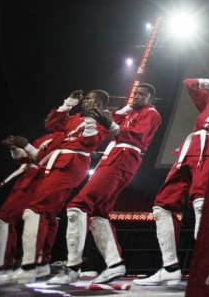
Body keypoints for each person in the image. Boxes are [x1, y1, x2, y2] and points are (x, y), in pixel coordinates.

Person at [133, 74, 209, 286]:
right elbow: (188, 84)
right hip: (189, 151)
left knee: (201, 204)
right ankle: (170, 268)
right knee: (161, 206)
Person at [0, 89, 110, 284]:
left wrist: (90, 117)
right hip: (54, 163)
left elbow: (90, 141)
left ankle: (28, 267)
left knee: (35, 211)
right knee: (41, 213)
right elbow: (52, 124)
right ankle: (38, 265)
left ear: (101, 105)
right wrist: (68, 103)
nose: (88, 102)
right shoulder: (74, 118)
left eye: (93, 100)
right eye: (87, 98)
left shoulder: (104, 118)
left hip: (72, 163)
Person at [47, 83, 161, 286]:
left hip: (124, 157)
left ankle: (72, 267)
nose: (136, 97)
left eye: (142, 95)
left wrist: (113, 123)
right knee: (99, 213)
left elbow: (135, 136)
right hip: (113, 157)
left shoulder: (152, 113)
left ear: (150, 99)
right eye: (135, 93)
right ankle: (115, 263)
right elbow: (110, 124)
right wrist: (122, 112)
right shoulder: (130, 113)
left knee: (78, 206)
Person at [0, 119, 65, 282]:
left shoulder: (68, 137)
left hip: (48, 180)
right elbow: (27, 159)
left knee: (43, 220)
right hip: (28, 181)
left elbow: (50, 160)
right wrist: (14, 148)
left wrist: (27, 147)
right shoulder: (43, 138)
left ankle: (38, 264)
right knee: (2, 219)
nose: (50, 119)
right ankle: (0, 266)